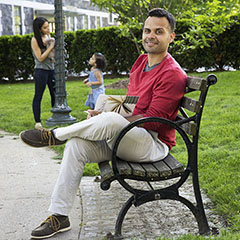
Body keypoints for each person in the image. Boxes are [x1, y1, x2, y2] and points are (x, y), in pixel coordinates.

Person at [20, 8, 187, 239]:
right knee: (76, 146)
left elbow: (154, 121)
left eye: (159, 31)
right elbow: (132, 102)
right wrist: (103, 111)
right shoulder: (141, 62)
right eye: (147, 30)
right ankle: (59, 215)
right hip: (128, 137)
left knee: (108, 120)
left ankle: (55, 135)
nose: (150, 35)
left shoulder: (172, 74)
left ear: (171, 37)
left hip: (152, 144)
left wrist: (108, 120)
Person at [31, 17, 56, 130]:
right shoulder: (35, 40)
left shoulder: (48, 37)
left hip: (51, 69)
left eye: (48, 26)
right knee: (38, 96)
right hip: (41, 71)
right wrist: (50, 46)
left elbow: (52, 55)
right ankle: (38, 122)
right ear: (39, 29)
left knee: (55, 94)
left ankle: (56, 116)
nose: (48, 29)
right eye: (45, 27)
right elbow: (40, 58)